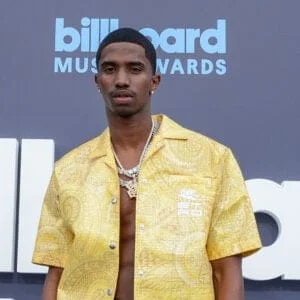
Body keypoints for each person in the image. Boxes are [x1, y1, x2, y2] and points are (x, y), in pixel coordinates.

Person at [32, 27, 262, 300]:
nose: (121, 79)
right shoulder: (69, 170)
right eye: (109, 69)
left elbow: (227, 270)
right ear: (97, 81)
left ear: (154, 81)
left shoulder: (212, 160)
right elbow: (57, 272)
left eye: (135, 69)